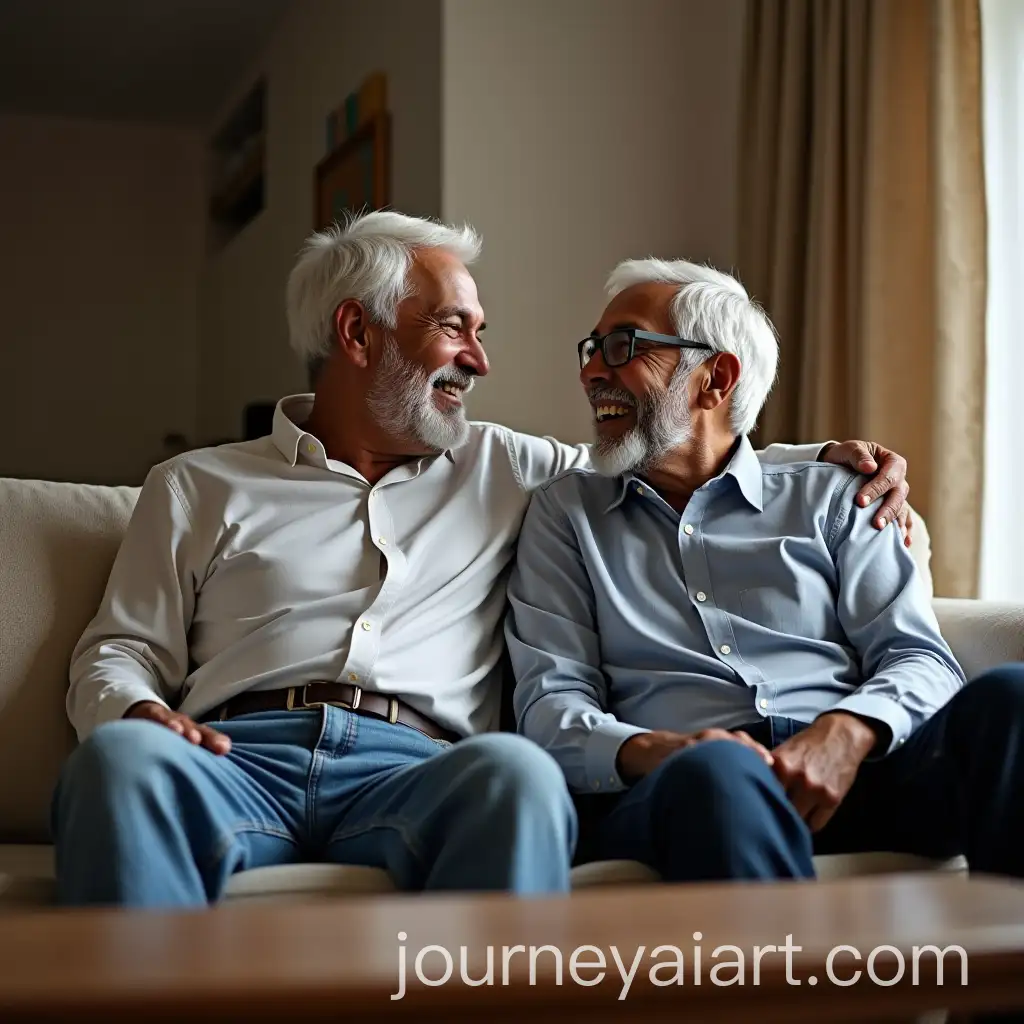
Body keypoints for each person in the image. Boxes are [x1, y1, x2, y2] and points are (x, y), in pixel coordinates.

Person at [53, 213, 912, 907]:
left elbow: (678, 451)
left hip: (422, 770)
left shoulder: (510, 465)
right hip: (234, 756)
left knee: (517, 773)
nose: (480, 359)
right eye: (454, 327)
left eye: (480, 331)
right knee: (118, 764)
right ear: (356, 331)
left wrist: (833, 464)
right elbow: (121, 648)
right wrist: (130, 710)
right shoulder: (197, 484)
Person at [505, 256, 1024, 885]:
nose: (591, 371)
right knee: (719, 776)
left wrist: (847, 732)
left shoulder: (835, 497)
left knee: (1011, 698)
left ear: (715, 378)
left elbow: (920, 657)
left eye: (623, 347)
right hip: (686, 786)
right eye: (592, 349)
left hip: (853, 773)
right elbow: (551, 701)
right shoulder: (566, 512)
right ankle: (796, 982)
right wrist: (663, 750)